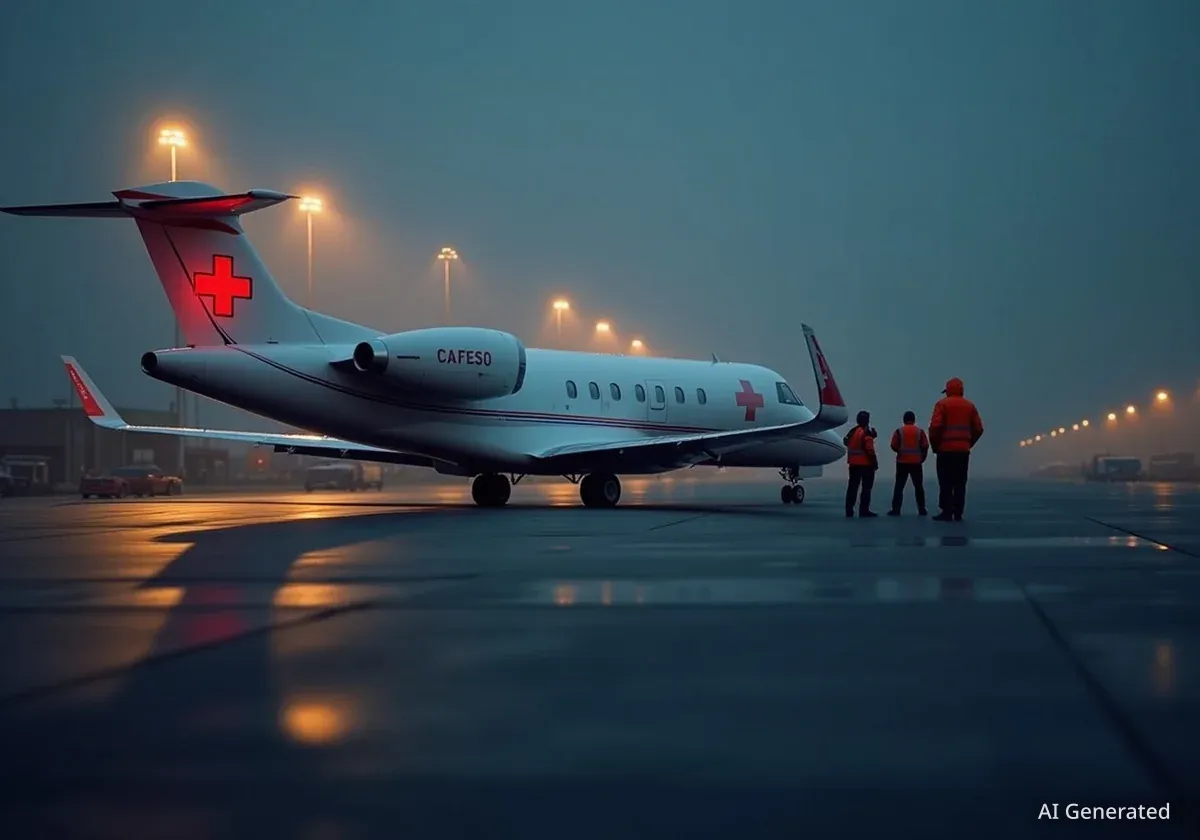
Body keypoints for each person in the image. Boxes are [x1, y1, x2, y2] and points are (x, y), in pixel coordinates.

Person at [928, 377, 984, 521]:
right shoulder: (970, 406)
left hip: (945, 450)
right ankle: (958, 511)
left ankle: (947, 511)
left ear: (948, 391)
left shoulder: (942, 405)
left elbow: (935, 427)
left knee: (945, 481)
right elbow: (979, 428)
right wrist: (969, 442)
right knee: (960, 482)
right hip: (963, 451)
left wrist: (936, 445)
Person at [887, 411, 929, 516]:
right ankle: (922, 509)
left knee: (899, 487)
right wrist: (922, 458)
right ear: (914, 420)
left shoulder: (899, 431)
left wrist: (900, 451)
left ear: (904, 420)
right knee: (919, 487)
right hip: (916, 462)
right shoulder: (920, 432)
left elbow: (893, 445)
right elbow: (925, 446)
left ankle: (896, 510)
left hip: (902, 462)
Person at [843, 410, 879, 518]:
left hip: (853, 465)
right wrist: (874, 463)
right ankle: (864, 511)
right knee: (866, 488)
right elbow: (869, 449)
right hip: (865, 465)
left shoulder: (853, 431)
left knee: (852, 488)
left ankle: (849, 510)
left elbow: (846, 441)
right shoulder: (866, 432)